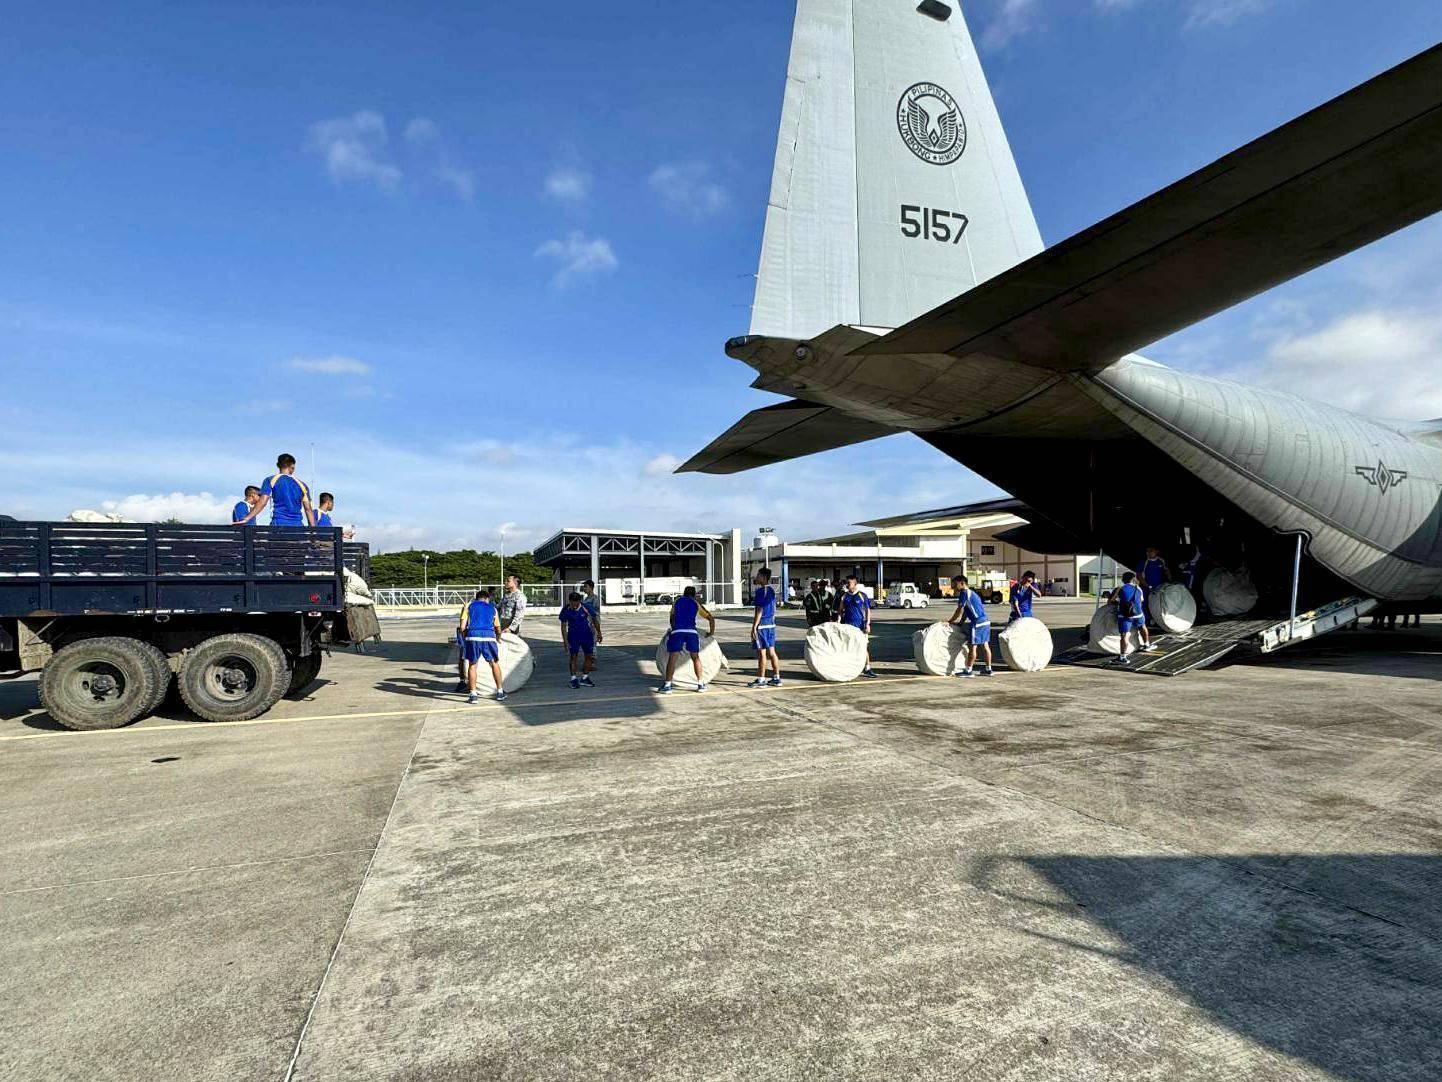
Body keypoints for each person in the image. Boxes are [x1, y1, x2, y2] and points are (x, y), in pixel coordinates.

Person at [657, 585, 716, 694]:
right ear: (694, 594)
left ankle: (668, 685)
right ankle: (701, 684)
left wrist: (673, 629)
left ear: (684, 593)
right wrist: (711, 633)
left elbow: (672, 618)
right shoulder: (696, 603)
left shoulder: (677, 601)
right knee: (696, 658)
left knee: (673, 658)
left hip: (677, 631)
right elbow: (711, 619)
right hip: (692, 632)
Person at [234, 453, 315, 527]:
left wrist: (247, 518)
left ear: (278, 465)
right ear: (292, 466)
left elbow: (263, 502)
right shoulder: (303, 485)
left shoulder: (270, 480)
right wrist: (314, 532)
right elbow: (308, 510)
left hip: (278, 525)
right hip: (298, 526)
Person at [460, 589, 507, 703]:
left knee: (472, 665)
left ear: (476, 598)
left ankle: (473, 694)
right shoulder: (493, 608)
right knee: (494, 663)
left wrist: (467, 636)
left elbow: (462, 627)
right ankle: (500, 692)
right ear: (487, 598)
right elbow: (498, 628)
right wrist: (498, 637)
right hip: (488, 636)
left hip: (473, 636)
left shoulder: (469, 606)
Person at [947, 574, 993, 677]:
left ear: (962, 583)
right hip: (985, 621)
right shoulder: (972, 593)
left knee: (973, 647)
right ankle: (988, 669)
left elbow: (960, 610)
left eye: (955, 584)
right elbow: (966, 612)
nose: (953, 586)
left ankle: (968, 670)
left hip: (977, 623)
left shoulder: (964, 593)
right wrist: (960, 623)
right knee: (985, 646)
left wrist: (950, 621)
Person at [1113, 571, 1158, 665]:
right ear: (1133, 579)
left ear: (1122, 579)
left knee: (1124, 635)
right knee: (1142, 626)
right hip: (1138, 613)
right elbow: (1141, 600)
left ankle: (1123, 657)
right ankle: (1146, 645)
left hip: (1125, 615)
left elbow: (1112, 600)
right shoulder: (1138, 588)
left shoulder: (1120, 588)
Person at [747, 567, 782, 688]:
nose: (756, 577)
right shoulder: (772, 591)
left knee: (761, 653)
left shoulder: (761, 592)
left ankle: (761, 679)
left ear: (763, 577)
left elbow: (759, 610)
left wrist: (754, 627)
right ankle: (776, 678)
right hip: (771, 625)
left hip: (762, 626)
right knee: (772, 652)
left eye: (758, 575)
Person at [837, 574, 878, 678]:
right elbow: (840, 610)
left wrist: (867, 624)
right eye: (846, 583)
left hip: (860, 626)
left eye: (849, 583)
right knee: (848, 647)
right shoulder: (844, 596)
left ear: (855, 584)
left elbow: (867, 610)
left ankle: (867, 668)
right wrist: (838, 621)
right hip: (848, 626)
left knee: (863, 647)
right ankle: (848, 667)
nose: (847, 585)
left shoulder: (862, 595)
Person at [559, 592, 602, 689]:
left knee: (589, 656)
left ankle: (585, 677)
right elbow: (563, 626)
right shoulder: (566, 610)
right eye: (572, 603)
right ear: (569, 601)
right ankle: (573, 678)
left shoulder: (586, 607)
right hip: (573, 637)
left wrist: (599, 632)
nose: (574, 605)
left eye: (576, 603)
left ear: (579, 601)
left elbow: (595, 619)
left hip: (587, 636)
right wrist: (565, 641)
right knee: (573, 657)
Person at [498, 574, 527, 638]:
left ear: (515, 583)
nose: (505, 582)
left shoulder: (520, 596)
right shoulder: (506, 595)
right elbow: (499, 608)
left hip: (510, 628)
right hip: (501, 624)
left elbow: (519, 614)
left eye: (508, 581)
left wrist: (510, 628)